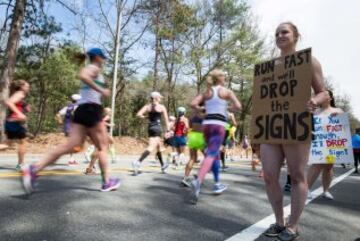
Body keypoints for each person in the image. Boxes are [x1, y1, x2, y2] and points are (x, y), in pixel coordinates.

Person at [261, 22, 329, 240]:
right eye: (277, 33)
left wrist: (314, 101)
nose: (280, 35)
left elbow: (324, 93)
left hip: (296, 124)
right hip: (270, 125)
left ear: (296, 36)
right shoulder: (268, 67)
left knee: (298, 175)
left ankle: (293, 225)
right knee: (270, 176)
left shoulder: (308, 61)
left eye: (285, 32)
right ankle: (279, 222)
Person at [21, 48, 121, 193]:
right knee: (103, 147)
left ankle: (34, 169)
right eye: (103, 58)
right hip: (92, 110)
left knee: (70, 146)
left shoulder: (94, 69)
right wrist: (101, 91)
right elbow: (83, 75)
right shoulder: (93, 68)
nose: (104, 60)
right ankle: (106, 182)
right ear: (98, 57)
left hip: (82, 110)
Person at [190, 69, 242, 204]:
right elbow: (238, 106)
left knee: (215, 155)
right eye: (224, 76)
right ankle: (198, 180)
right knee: (212, 154)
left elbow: (193, 104)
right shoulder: (226, 92)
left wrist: (202, 109)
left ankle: (217, 183)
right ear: (221, 78)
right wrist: (227, 109)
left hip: (206, 125)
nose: (225, 78)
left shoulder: (206, 92)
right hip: (219, 125)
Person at [307, 90, 344, 200]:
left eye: (324, 95)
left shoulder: (338, 110)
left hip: (332, 143)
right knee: (317, 165)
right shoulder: (314, 111)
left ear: (330, 98)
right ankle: (306, 189)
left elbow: (342, 126)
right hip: (318, 141)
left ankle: (326, 191)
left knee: (329, 166)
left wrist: (337, 116)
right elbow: (307, 125)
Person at [132, 91, 170, 175]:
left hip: (150, 128)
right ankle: (138, 162)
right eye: (159, 97)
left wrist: (146, 117)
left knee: (159, 147)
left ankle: (163, 165)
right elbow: (167, 121)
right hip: (157, 128)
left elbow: (138, 114)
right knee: (151, 147)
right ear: (156, 98)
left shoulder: (147, 106)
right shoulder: (161, 107)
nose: (160, 99)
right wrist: (168, 131)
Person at [0, 80, 30, 171]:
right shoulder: (20, 93)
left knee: (7, 144)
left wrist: (24, 109)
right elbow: (9, 102)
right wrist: (19, 114)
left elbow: (14, 104)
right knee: (23, 142)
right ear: (22, 87)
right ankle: (21, 165)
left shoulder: (19, 94)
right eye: (27, 86)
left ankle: (21, 164)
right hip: (14, 122)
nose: (28, 88)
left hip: (12, 122)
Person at [84, 107, 116, 175]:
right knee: (98, 152)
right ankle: (90, 168)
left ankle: (91, 168)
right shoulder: (106, 117)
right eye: (109, 111)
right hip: (99, 134)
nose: (110, 112)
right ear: (106, 112)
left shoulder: (100, 116)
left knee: (98, 152)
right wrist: (109, 125)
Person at [56, 94, 81, 165]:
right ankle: (70, 159)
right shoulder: (78, 107)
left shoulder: (67, 107)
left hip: (67, 127)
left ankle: (71, 159)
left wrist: (60, 122)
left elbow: (58, 114)